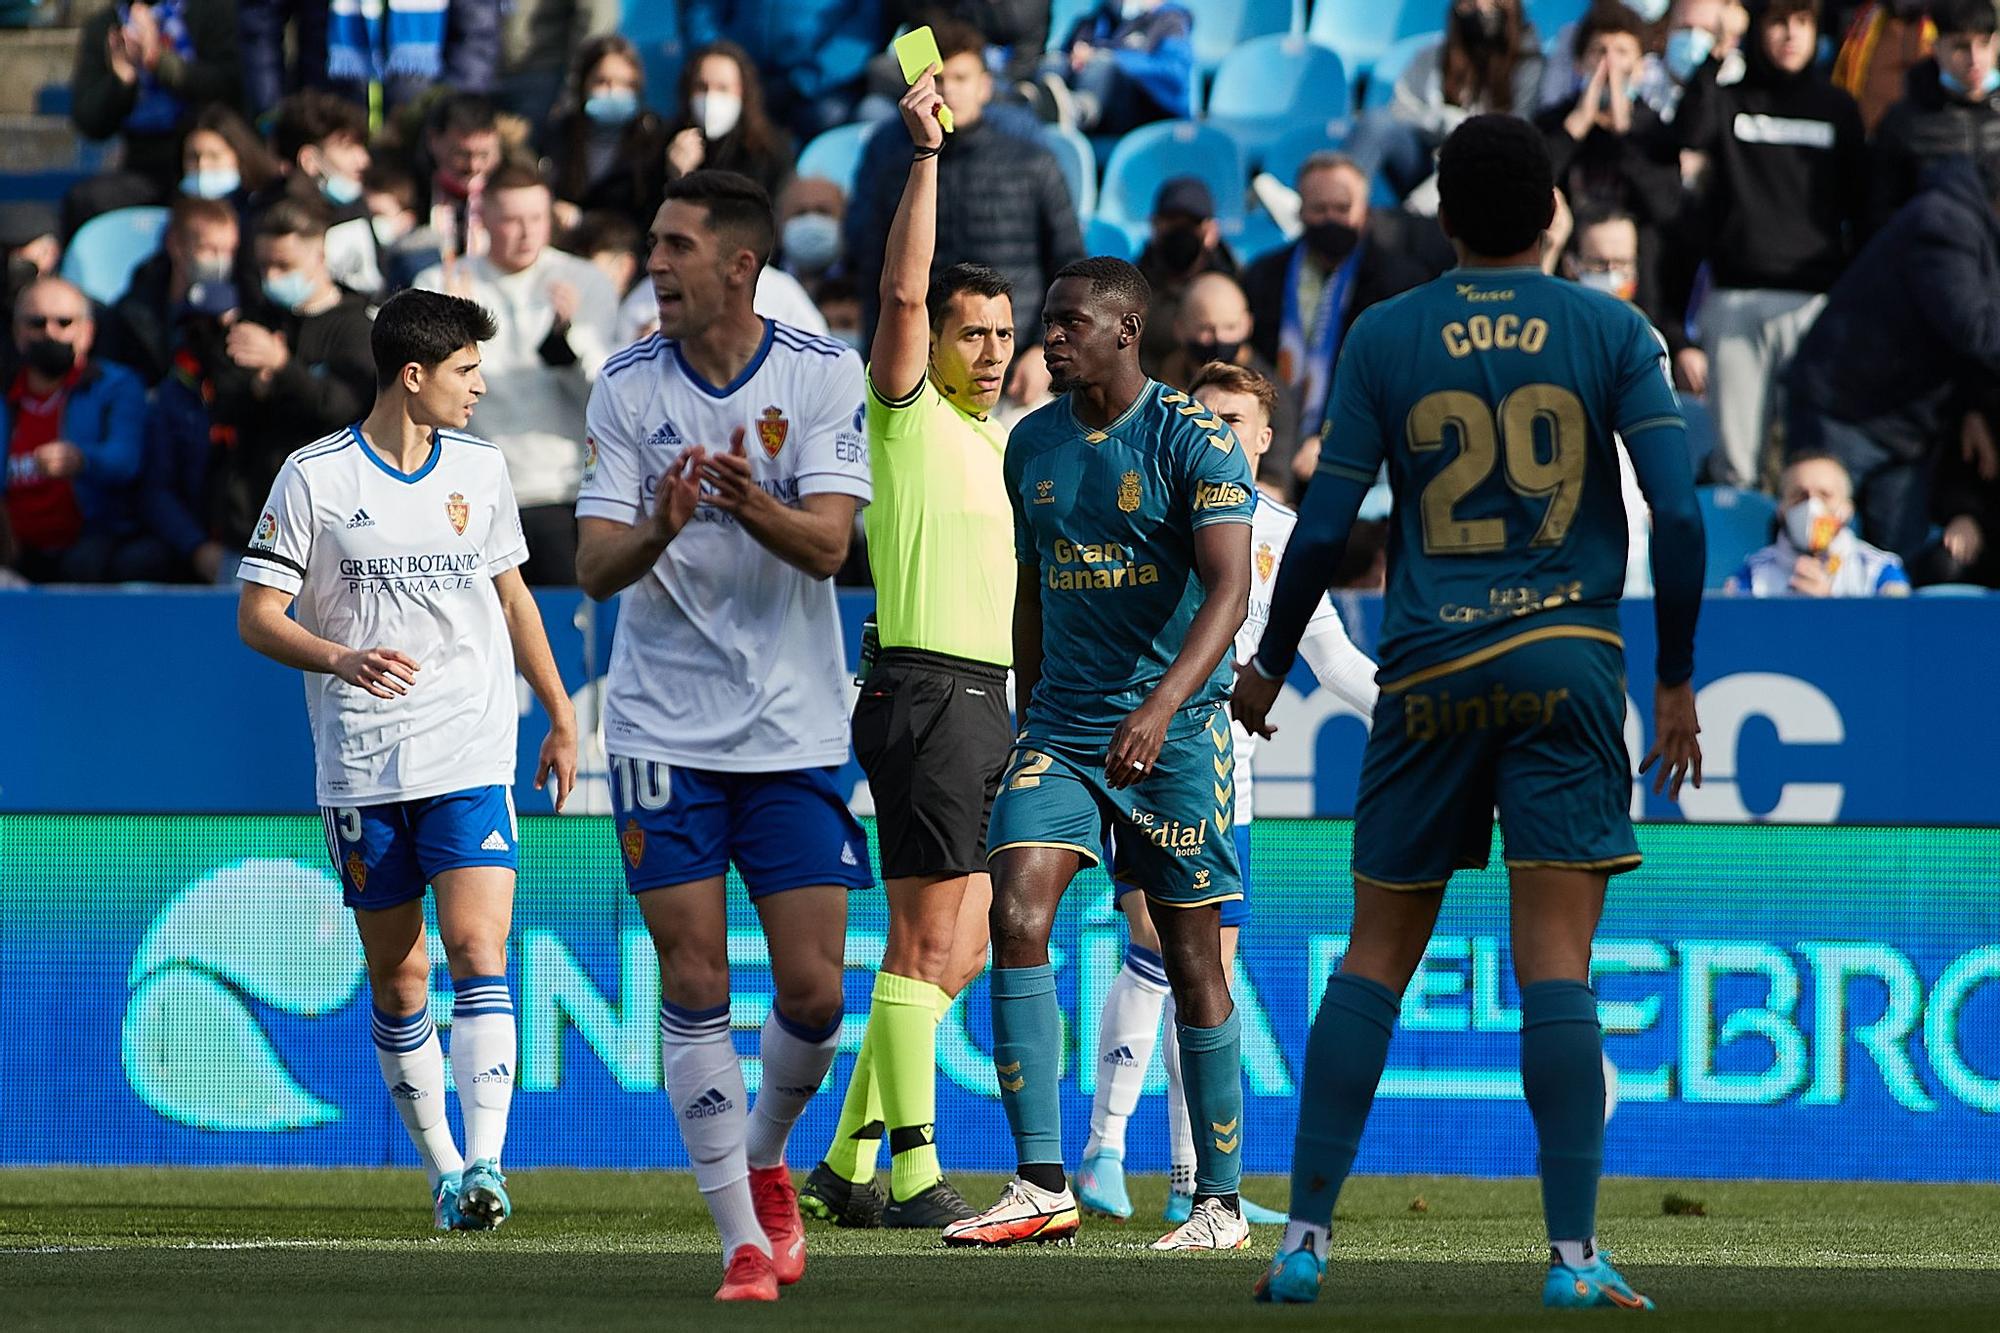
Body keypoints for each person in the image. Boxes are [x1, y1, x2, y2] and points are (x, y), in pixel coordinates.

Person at [1234, 114, 1704, 1311]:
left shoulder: (1386, 333)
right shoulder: (1609, 328)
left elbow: (1324, 525)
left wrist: (1264, 663)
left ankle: (1302, 1242)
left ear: (1440, 216)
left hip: (1429, 670)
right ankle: (1568, 1256)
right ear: (1553, 212)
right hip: (1564, 663)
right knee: (1556, 964)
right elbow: (1683, 515)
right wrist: (1673, 679)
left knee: (1373, 958)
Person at [572, 170, 871, 1303]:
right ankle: (742, 1237)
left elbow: (832, 549)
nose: (654, 263)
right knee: (692, 973)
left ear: (739, 265)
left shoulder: (818, 372)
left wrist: (750, 504)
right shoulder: (624, 389)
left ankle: (761, 1151)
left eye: (676, 246)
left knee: (814, 995)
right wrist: (661, 518)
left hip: (792, 726)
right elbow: (594, 567)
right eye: (652, 243)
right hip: (658, 725)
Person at [235, 287, 578, 1232]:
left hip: (470, 746)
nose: (479, 388)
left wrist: (557, 710)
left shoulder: (481, 466)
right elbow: (257, 615)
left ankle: (488, 1163)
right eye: (467, 371)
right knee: (401, 977)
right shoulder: (314, 478)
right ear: (414, 375)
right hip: (361, 761)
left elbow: (513, 599)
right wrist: (341, 656)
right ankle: (442, 1170)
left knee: (479, 949)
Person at [939, 256, 1256, 1254]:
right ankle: (1041, 1183)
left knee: (1191, 954)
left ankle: (1219, 1201)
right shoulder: (1027, 443)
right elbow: (1031, 590)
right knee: (1016, 908)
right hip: (1063, 731)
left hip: (1176, 731)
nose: (1049, 338)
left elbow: (1229, 590)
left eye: (1070, 322)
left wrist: (1162, 708)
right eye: (1049, 321)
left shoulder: (1193, 438)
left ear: (1125, 329)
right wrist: (1025, 712)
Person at [1074, 358, 1377, 1229]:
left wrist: (1417, 719)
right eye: (1204, 415)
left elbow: (1337, 665)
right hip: (1134, 758)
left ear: (1266, 435)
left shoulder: (1286, 538)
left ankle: (1180, 1174)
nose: (1219, 431)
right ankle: (1103, 1146)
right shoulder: (1145, 511)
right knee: (1160, 946)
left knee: (1205, 972)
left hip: (1223, 786)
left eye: (1236, 419)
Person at [798, 69, 1011, 1232]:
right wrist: (925, 156)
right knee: (928, 938)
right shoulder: (905, 414)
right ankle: (918, 1168)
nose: (984, 350)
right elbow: (897, 285)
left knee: (960, 949)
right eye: (966, 331)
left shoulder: (998, 444)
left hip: (984, 703)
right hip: (926, 690)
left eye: (999, 335)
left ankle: (843, 1155)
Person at [1672, 0, 1865, 490]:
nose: (1790, 36)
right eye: (1779, 22)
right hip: (1735, 301)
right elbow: (1687, 133)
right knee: (1736, 469)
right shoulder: (1728, 99)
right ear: (1759, 29)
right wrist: (1717, 55)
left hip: (1814, 305)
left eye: (1802, 23)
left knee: (1810, 467)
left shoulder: (1838, 108)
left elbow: (1860, 207)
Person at [848, 19, 1083, 393]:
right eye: (938, 80)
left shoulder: (1033, 163)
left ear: (985, 85)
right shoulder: (893, 167)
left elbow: (1070, 268)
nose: (949, 91)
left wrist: (1045, 352)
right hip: (922, 375)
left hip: (1017, 372)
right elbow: (875, 270)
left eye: (961, 78)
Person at [415, 162, 617, 585]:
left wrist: (570, 338)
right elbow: (418, 395)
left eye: (536, 219)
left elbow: (608, 395)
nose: (525, 233)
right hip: (469, 491)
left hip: (560, 488)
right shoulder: (443, 282)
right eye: (510, 219)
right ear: (483, 218)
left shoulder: (583, 281)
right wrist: (449, 332)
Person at [1241, 153, 1430, 487]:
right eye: (1319, 209)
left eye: (1342, 209)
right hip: (1275, 442)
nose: (1331, 219)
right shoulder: (1263, 276)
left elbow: (1396, 380)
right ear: (1300, 211)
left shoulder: (1401, 283)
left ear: (1365, 210)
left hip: (1363, 450)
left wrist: (1335, 437)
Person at [207, 200, 376, 549]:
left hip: (336, 524)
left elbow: (343, 408)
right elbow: (223, 402)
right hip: (254, 520)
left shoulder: (357, 327)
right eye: (264, 266)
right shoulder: (253, 321)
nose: (272, 277)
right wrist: (258, 386)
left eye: (284, 266)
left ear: (320, 257)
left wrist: (282, 368)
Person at [1, 277, 151, 582]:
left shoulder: (115, 385)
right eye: (37, 323)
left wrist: (82, 459)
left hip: (91, 546)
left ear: (86, 332)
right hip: (14, 551)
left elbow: (126, 459)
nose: (50, 333)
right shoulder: (5, 395)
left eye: (64, 322)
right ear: (18, 333)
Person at [1344, 0, 1546, 203]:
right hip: (1427, 155)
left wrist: (1469, 129)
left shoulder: (1529, 63)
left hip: (1483, 168)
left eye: (1490, 3)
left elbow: (1517, 135)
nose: (1480, 9)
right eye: (1469, 4)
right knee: (1376, 122)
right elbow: (1400, 108)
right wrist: (1441, 120)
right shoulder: (1432, 54)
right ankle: (1339, 206)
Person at [67, 0, 240, 230]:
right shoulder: (105, 26)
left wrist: (159, 61)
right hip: (142, 164)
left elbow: (229, 88)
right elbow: (89, 121)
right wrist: (122, 80)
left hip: (205, 159)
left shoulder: (212, 10)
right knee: (85, 202)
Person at [1868, 0, 2000, 232]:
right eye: (1961, 46)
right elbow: (1880, 212)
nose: (1974, 59)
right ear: (1937, 48)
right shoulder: (1904, 123)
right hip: (1937, 258)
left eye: (1984, 43)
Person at [1156, 272, 1301, 483]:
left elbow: (1275, 483)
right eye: (1206, 329)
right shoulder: (1159, 384)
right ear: (1179, 328)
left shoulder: (1270, 394)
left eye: (1230, 327)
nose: (1219, 338)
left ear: (1248, 324)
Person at [680, 0, 886, 140]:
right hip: (741, 78)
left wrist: (803, 81)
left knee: (828, 117)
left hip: (822, 91)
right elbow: (701, 13)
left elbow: (864, 27)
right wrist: (727, 64)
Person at [1724, 453, 1911, 595]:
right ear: (1781, 509)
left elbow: (1895, 635)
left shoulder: (1879, 570)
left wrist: (1827, 609)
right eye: (1800, 496)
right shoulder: (1753, 573)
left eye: (1825, 495)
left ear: (1847, 509)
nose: (1812, 506)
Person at [101, 195, 239, 386]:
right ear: (175, 245)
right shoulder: (131, 314)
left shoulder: (241, 309)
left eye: (229, 251)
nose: (221, 262)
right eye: (208, 249)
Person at [542, 34, 673, 231]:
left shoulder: (653, 138)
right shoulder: (561, 133)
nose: (614, 92)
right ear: (583, 85)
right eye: (602, 82)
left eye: (625, 84)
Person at [264, 90, 383, 297]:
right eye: (348, 148)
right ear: (309, 160)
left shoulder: (355, 208)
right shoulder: (266, 220)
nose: (364, 160)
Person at [661, 42, 797, 207]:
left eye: (723, 88)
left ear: (743, 93)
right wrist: (676, 179)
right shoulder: (665, 146)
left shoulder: (771, 153)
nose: (711, 97)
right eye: (702, 87)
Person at [1030, 0, 1195, 136]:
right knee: (1053, 61)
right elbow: (1065, 54)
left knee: (1102, 62)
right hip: (1099, 116)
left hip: (1142, 114)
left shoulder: (1170, 22)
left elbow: (1174, 73)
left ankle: (1079, 110)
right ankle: (1035, 109)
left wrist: (1112, 58)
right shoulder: (1094, 21)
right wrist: (1076, 60)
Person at [1135, 177, 1239, 379]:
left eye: (1191, 223)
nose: (1180, 231)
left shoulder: (1236, 284)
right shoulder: (1132, 289)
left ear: (1210, 231)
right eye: (1171, 222)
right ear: (1155, 225)